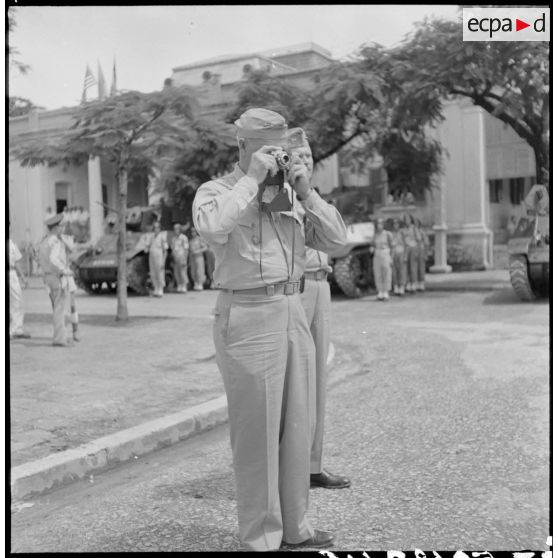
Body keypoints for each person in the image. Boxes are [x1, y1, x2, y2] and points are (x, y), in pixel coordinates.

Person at [192, 108, 347, 551]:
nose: (276, 158)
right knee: (258, 432)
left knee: (297, 426)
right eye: (267, 150)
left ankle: (295, 528)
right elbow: (213, 227)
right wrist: (251, 179)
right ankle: (262, 537)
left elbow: (337, 241)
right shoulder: (217, 190)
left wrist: (306, 191)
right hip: (248, 313)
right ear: (242, 146)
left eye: (280, 150)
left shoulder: (285, 195)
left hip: (292, 307)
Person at [291, 127, 351, 490]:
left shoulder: (313, 198)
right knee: (295, 383)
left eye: (309, 158)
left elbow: (339, 240)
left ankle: (313, 465)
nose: (305, 163)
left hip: (321, 285)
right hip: (295, 290)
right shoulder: (278, 199)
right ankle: (291, 465)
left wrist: (306, 193)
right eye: (297, 157)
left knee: (318, 382)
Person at [37, 213, 74, 347]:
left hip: (48, 276)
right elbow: (54, 259)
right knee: (59, 309)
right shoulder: (56, 241)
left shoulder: (44, 241)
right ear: (56, 228)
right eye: (60, 226)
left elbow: (39, 258)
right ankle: (59, 339)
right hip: (57, 277)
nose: (62, 228)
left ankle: (61, 336)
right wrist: (64, 270)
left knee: (57, 308)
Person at [9, 229, 31, 340]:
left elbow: (16, 262)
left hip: (12, 273)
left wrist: (23, 278)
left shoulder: (12, 243)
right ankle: (12, 330)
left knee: (17, 300)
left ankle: (17, 329)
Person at [60, 233, 81, 341]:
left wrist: (64, 240)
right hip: (60, 277)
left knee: (73, 305)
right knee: (63, 307)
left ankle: (75, 331)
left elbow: (71, 249)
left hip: (68, 276)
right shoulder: (52, 241)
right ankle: (64, 333)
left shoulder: (65, 238)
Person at [370, 217, 393, 301]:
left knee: (386, 272)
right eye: (378, 224)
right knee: (378, 272)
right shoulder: (375, 235)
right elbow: (372, 244)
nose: (379, 226)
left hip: (385, 253)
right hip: (377, 253)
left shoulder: (387, 234)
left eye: (381, 224)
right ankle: (380, 291)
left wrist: (391, 257)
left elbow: (391, 246)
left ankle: (386, 291)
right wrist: (372, 248)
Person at [145, 221, 168, 297]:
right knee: (153, 273)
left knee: (159, 273)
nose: (156, 229)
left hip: (159, 256)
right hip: (151, 256)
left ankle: (160, 288)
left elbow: (165, 250)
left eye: (157, 227)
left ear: (160, 228)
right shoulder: (151, 237)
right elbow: (148, 246)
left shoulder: (162, 237)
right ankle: (156, 288)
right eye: (154, 227)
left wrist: (163, 261)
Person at [170, 222, 189, 293]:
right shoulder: (173, 238)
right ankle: (179, 284)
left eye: (176, 229)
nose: (175, 230)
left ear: (180, 229)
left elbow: (186, 249)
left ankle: (184, 285)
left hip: (182, 257)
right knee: (176, 272)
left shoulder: (183, 237)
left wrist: (185, 259)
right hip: (175, 257)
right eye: (174, 229)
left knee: (183, 272)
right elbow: (172, 249)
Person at [403, 214, 419, 293]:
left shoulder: (414, 228)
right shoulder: (403, 229)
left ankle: (414, 283)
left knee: (413, 267)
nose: (407, 221)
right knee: (407, 267)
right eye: (405, 219)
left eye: (408, 219)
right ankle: (408, 283)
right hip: (406, 249)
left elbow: (418, 239)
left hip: (412, 247)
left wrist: (416, 251)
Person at [415, 220, 429, 292]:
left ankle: (422, 283)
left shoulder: (422, 232)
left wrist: (425, 254)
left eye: (417, 223)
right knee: (415, 268)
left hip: (421, 250)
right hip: (414, 251)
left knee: (421, 268)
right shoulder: (413, 232)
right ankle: (416, 283)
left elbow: (426, 243)